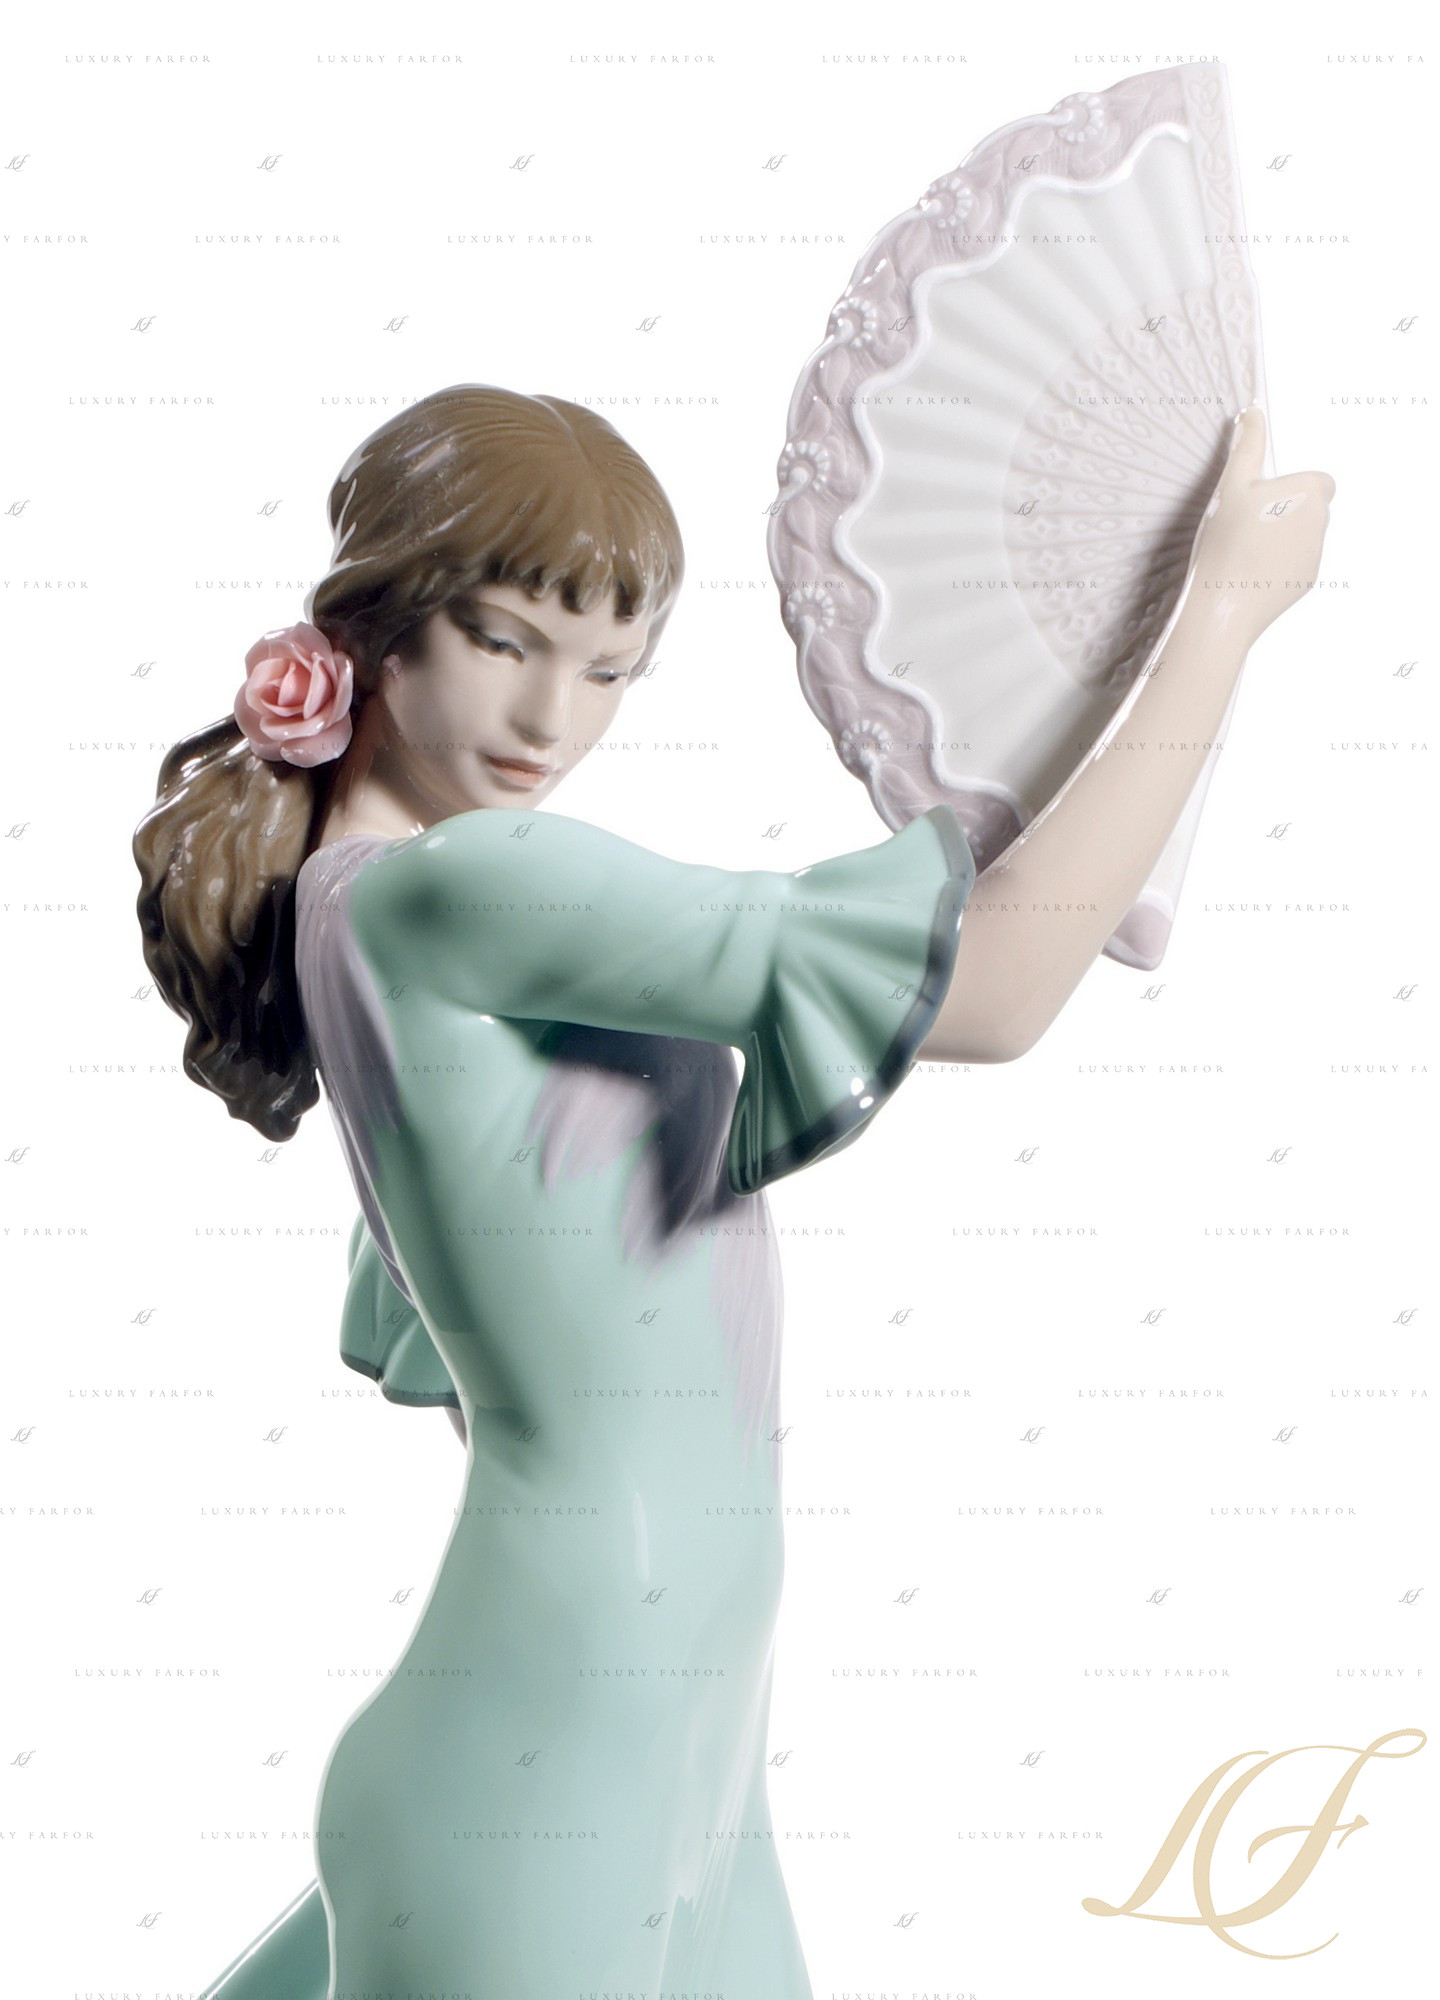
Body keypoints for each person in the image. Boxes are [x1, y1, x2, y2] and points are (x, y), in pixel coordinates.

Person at [132, 384, 1332, 1998]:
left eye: (608, 669)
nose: (551, 717)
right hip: (558, 1763)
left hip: (663, 1755)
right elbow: (990, 990)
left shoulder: (384, 919)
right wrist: (1220, 620)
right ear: (372, 629)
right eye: (503, 639)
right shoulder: (467, 886)